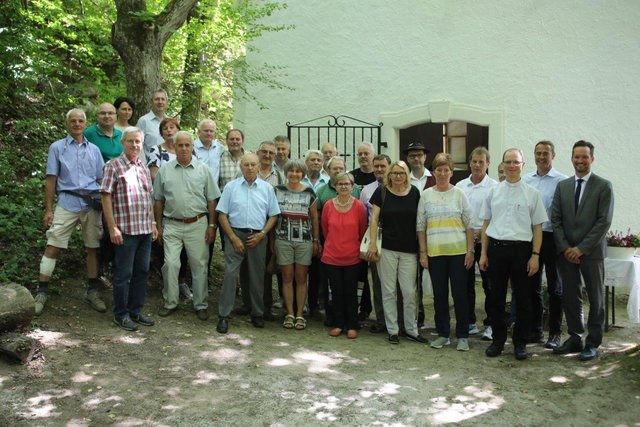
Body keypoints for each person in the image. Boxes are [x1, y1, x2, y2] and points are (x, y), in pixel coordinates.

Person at [34, 109, 106, 316]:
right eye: (73, 121)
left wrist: (110, 207)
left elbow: (101, 180)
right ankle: (42, 291)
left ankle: (92, 291)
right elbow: (50, 179)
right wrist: (48, 209)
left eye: (80, 121)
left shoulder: (94, 150)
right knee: (53, 244)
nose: (76, 124)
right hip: (66, 202)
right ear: (67, 124)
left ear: (86, 123)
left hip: (91, 203)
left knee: (92, 247)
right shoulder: (57, 147)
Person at [479, 148, 547, 360]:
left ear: (522, 165)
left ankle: (520, 343)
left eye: (515, 162)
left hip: (522, 251)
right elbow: (485, 224)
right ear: (502, 165)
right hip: (497, 250)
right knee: (495, 298)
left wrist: (535, 255)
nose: (511, 166)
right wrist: (483, 253)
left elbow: (537, 228)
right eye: (507, 162)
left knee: (524, 298)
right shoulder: (493, 192)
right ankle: (498, 340)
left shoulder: (532, 194)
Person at [551, 140, 614, 361]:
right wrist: (566, 247)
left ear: (592, 159)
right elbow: (555, 219)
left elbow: (603, 222)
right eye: (576, 157)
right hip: (566, 253)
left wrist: (581, 248)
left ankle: (593, 343)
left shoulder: (603, 186)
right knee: (570, 296)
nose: (580, 161)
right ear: (571, 159)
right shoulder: (563, 186)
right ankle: (575, 338)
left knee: (596, 299)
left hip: (591, 253)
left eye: (584, 157)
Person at [153, 131, 220, 321]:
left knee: (199, 265)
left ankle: (200, 304)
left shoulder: (203, 169)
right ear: (174, 147)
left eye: (187, 145)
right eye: (180, 145)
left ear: (192, 147)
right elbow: (158, 200)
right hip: (172, 224)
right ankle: (170, 302)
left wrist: (212, 225)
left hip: (198, 223)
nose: (183, 148)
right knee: (171, 264)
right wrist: (158, 225)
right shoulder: (165, 170)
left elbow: (212, 200)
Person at [215, 153, 280, 334]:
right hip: (235, 234)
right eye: (246, 165)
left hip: (258, 236)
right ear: (241, 167)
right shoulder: (231, 187)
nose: (250, 168)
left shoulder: (267, 188)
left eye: (253, 164)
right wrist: (233, 238)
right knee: (230, 274)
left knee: (257, 275)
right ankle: (223, 315)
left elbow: (273, 215)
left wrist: (262, 234)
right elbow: (222, 214)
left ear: (258, 166)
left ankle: (257, 313)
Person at [101, 127, 157, 331]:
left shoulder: (143, 167)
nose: (135, 145)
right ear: (123, 143)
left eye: (138, 142)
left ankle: (136, 310)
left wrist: (153, 223)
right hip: (124, 231)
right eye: (131, 141)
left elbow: (148, 198)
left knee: (141, 272)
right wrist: (112, 227)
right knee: (123, 274)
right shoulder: (113, 166)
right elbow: (105, 196)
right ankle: (121, 314)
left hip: (144, 230)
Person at [417, 153, 475, 351]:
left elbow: (469, 226)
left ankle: (463, 335)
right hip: (435, 253)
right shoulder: (426, 195)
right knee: (439, 295)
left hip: (458, 252)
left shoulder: (460, 194)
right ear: (433, 172)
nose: (442, 173)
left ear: (452, 172)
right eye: (439, 170)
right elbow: (420, 226)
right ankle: (443, 334)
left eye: (446, 170)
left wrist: (470, 251)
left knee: (460, 295)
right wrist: (423, 253)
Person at [366, 160, 426, 344]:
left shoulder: (415, 193)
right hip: (387, 248)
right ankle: (392, 330)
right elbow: (374, 219)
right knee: (389, 290)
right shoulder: (382, 192)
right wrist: (373, 245)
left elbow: (420, 221)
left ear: (407, 175)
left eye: (401, 173)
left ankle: (411, 329)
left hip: (409, 250)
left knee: (409, 291)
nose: (398, 176)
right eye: (394, 173)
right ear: (389, 175)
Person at [523, 141, 568, 349]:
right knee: (532, 285)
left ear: (553, 155)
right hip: (530, 237)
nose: (541, 157)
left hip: (551, 238)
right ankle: (536, 330)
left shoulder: (562, 181)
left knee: (555, 286)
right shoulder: (526, 180)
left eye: (545, 153)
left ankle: (555, 333)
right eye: (538, 153)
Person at [455, 146, 498, 340]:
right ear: (469, 163)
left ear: (488, 164)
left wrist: (481, 234)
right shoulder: (460, 186)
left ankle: (491, 324)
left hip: (486, 242)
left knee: (490, 285)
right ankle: (470, 322)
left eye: (482, 162)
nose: (477, 165)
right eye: (474, 161)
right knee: (465, 284)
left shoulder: (495, 187)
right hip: (464, 242)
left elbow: (497, 217)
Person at [274, 159, 320, 330]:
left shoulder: (309, 192)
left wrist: (316, 240)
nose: (294, 174)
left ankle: (300, 314)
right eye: (291, 171)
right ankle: (289, 313)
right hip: (283, 238)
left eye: (298, 171)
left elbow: (314, 218)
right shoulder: (277, 191)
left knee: (301, 277)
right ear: (286, 173)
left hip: (304, 240)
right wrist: (272, 241)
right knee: (286, 277)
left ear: (303, 174)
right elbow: (272, 215)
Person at [322, 173, 367, 339]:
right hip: (332, 256)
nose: (343, 186)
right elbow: (325, 230)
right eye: (340, 184)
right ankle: (338, 323)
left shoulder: (359, 206)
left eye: (347, 184)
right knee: (336, 292)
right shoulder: (327, 206)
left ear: (352, 186)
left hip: (352, 257)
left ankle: (352, 324)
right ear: (334, 186)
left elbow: (362, 230)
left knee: (351, 292)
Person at [360, 154, 392, 334]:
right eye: (376, 166)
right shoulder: (367, 190)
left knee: (394, 283)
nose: (379, 169)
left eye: (383, 166)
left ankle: (396, 319)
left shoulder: (398, 186)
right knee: (378, 282)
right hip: (375, 240)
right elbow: (364, 217)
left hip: (395, 238)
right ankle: (381, 319)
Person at [405, 140, 435, 328]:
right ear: (408, 159)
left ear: (425, 157)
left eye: (419, 155)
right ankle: (416, 314)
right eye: (412, 155)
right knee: (411, 278)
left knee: (430, 277)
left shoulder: (434, 179)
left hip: (432, 236)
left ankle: (430, 312)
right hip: (408, 236)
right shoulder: (402, 178)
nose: (416, 158)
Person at [136, 89, 168, 156]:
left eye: (163, 99)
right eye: (157, 99)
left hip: (168, 164)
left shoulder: (170, 121)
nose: (160, 102)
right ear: (151, 102)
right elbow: (137, 145)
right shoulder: (143, 121)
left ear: (166, 102)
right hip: (149, 164)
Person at [194, 119, 225, 186]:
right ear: (199, 132)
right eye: (206, 131)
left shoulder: (220, 148)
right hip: (197, 190)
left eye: (211, 131)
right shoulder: (192, 148)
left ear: (215, 133)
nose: (209, 133)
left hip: (214, 192)